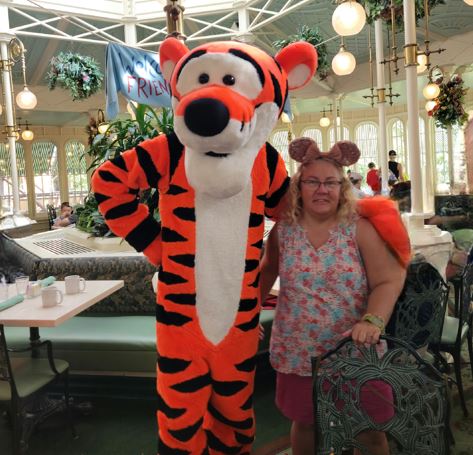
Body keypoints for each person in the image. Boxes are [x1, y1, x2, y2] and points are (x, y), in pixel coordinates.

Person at [260, 137, 408, 455]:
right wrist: (244, 316)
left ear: (342, 188)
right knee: (306, 425)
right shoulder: (283, 232)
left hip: (355, 351)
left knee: (370, 432)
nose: (322, 189)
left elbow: (388, 280)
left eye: (330, 182)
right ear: (299, 187)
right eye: (312, 182)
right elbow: (264, 274)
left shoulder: (359, 229)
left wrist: (372, 320)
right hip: (299, 353)